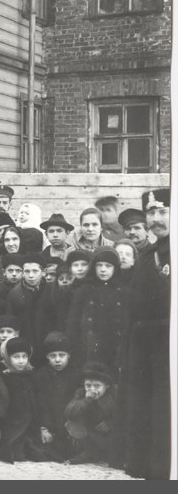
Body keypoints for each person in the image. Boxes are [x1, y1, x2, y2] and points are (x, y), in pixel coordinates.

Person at [123, 188, 171, 479]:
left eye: (162, 211)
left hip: (169, 346)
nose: (155, 219)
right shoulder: (149, 254)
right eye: (151, 213)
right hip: (146, 349)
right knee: (149, 410)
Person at [66, 246, 131, 373]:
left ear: (115, 268)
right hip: (90, 350)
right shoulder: (83, 291)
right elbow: (73, 325)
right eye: (99, 265)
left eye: (108, 266)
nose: (103, 270)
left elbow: (128, 324)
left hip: (116, 349)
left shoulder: (124, 292)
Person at [0, 337, 46, 463]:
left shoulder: (31, 375)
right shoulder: (4, 377)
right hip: (12, 421)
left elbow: (38, 399)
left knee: (39, 455)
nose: (21, 361)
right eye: (16, 357)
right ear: (8, 358)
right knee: (16, 454)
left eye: (24, 357)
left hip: (30, 422)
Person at [32, 331, 79, 462]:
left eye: (62, 355)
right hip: (49, 425)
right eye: (53, 356)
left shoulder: (75, 375)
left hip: (68, 426)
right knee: (40, 451)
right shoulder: (41, 375)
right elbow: (40, 405)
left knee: (71, 450)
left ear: (69, 355)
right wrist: (43, 428)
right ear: (47, 356)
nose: (57, 359)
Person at [64, 362, 122, 467]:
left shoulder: (114, 393)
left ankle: (103, 453)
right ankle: (88, 453)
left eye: (97, 386)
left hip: (108, 433)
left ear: (107, 385)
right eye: (88, 385)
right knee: (72, 424)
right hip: (89, 433)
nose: (92, 390)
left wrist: (109, 423)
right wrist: (86, 400)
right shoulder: (81, 393)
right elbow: (69, 412)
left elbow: (123, 414)